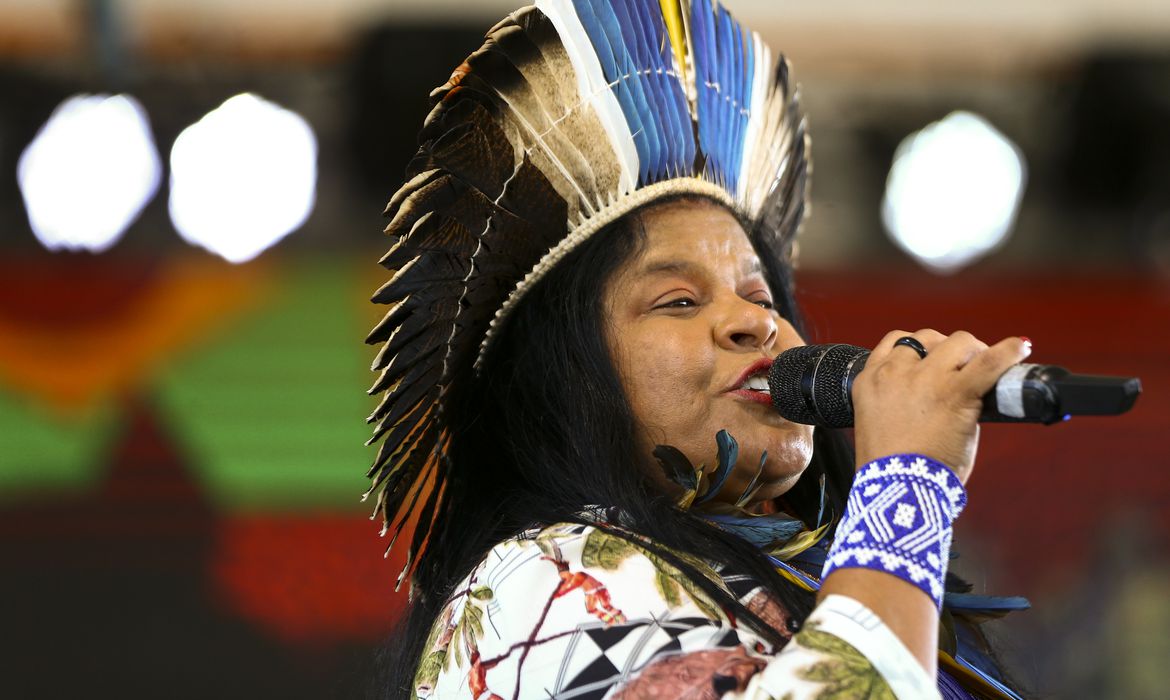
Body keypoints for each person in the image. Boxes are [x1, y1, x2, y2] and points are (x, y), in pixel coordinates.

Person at [363, 0, 1029, 697]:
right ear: (563, 385)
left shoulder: (824, 581)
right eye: (679, 300)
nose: (754, 324)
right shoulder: (539, 584)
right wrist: (907, 481)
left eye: (762, 297)